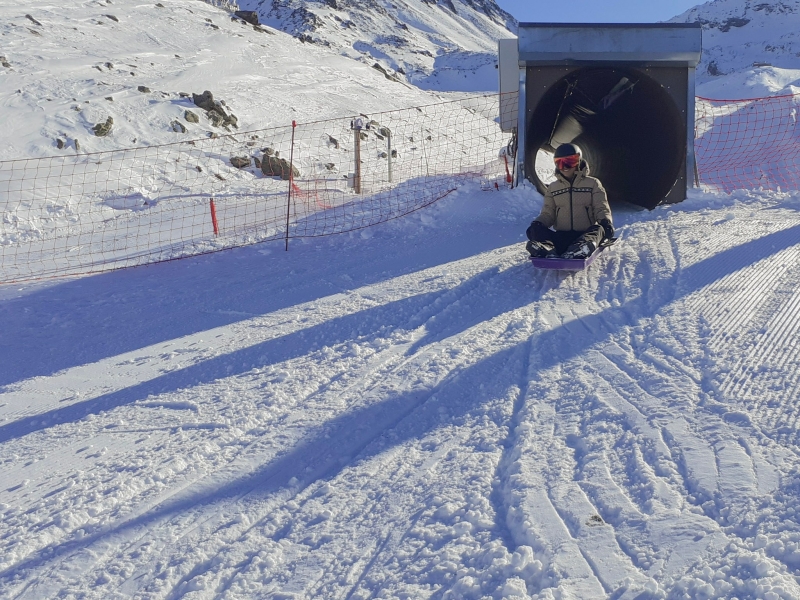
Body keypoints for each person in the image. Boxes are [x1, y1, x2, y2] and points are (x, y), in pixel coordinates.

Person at [526, 143, 614, 259]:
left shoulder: (592, 183)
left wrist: (606, 222)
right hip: (561, 237)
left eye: (570, 161)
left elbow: (600, 207)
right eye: (560, 163)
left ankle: (581, 248)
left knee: (599, 229)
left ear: (579, 160)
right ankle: (546, 248)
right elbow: (548, 213)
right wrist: (539, 223)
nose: (565, 167)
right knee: (535, 229)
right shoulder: (553, 188)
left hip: (584, 234)